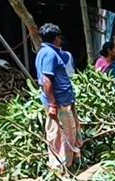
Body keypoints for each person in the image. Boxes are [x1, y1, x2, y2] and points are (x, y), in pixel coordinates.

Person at [35, 23, 81, 170]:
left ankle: (65, 165)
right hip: (59, 103)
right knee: (63, 135)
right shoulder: (49, 54)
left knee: (63, 132)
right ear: (56, 38)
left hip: (62, 101)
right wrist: (53, 104)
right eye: (59, 37)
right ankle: (62, 167)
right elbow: (46, 80)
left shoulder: (47, 52)